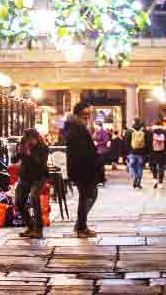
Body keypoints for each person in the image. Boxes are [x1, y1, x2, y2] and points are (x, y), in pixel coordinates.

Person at [65, 102, 104, 238]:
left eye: (89, 114)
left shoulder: (78, 127)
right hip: (83, 170)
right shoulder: (76, 128)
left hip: (84, 169)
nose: (87, 117)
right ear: (77, 114)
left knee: (89, 196)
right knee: (88, 196)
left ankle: (81, 225)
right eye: (84, 114)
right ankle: (81, 227)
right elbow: (80, 152)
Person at [13, 128, 50, 239]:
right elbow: (14, 160)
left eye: (31, 140)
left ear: (35, 138)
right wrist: (18, 153)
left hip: (39, 177)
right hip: (25, 176)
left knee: (34, 197)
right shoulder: (22, 144)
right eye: (27, 139)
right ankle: (30, 226)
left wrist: (29, 154)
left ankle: (38, 229)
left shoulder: (43, 147)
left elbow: (40, 164)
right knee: (19, 201)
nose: (29, 142)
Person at [127, 118, 147, 189]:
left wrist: (129, 151)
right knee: (140, 167)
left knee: (132, 166)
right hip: (141, 153)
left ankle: (135, 177)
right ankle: (139, 183)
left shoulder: (130, 131)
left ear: (133, 122)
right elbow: (147, 142)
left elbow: (126, 142)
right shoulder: (144, 130)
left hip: (132, 152)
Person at [148, 121, 166, 188]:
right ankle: (160, 183)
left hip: (153, 152)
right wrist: (165, 149)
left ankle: (155, 180)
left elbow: (148, 142)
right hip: (162, 152)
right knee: (161, 168)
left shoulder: (151, 132)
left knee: (153, 167)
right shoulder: (165, 132)